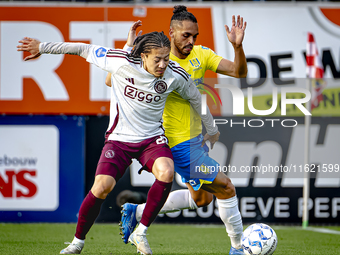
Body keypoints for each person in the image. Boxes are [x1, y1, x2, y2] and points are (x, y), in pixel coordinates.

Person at [17, 27, 219, 255]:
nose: (163, 64)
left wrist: (211, 129)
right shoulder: (121, 62)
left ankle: (140, 232)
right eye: (157, 60)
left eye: (165, 58)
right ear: (143, 56)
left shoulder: (175, 74)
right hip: (119, 140)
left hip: (152, 139)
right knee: (102, 187)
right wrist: (42, 47)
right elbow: (82, 48)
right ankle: (77, 242)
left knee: (167, 172)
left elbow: (196, 98)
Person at [119, 6, 247, 255]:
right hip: (178, 142)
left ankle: (137, 211)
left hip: (195, 140)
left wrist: (238, 46)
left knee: (202, 200)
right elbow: (115, 78)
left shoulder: (202, 55)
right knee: (226, 188)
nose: (191, 41)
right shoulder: (158, 58)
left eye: (194, 36)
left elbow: (239, 71)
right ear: (171, 33)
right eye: (186, 35)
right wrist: (127, 51)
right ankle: (238, 248)